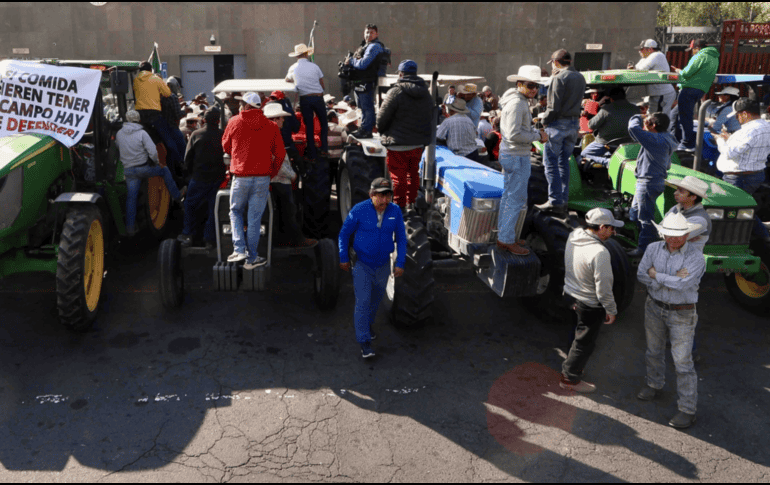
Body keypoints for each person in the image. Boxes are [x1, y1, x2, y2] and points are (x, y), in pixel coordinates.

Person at [637, 212, 706, 429]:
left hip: (682, 313)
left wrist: (656, 275)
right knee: (653, 351)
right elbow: (641, 274)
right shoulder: (652, 248)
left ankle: (687, 409)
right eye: (669, 234)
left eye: (679, 235)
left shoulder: (696, 257)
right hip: (654, 307)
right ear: (663, 234)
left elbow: (682, 285)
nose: (674, 239)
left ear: (687, 234)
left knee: (683, 362)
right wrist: (672, 278)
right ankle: (654, 384)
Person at [338, 178, 406, 359]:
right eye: (380, 196)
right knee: (363, 302)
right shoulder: (359, 210)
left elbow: (401, 238)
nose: (385, 200)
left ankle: (367, 325)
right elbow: (344, 234)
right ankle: (364, 343)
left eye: (388, 195)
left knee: (375, 301)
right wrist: (343, 257)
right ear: (371, 195)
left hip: (383, 266)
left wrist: (400, 263)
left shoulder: (395, 211)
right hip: (362, 265)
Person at [560, 208, 623, 393]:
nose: (614, 232)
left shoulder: (574, 235)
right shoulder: (600, 252)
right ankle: (569, 379)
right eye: (612, 228)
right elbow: (604, 287)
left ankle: (571, 365)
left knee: (574, 335)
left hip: (569, 295)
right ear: (602, 227)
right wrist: (611, 310)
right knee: (584, 343)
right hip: (588, 304)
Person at [222, 92, 285, 268]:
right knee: (254, 219)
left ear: (246, 106)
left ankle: (239, 250)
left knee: (235, 212)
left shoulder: (234, 122)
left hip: (241, 177)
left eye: (241, 103)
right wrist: (271, 173)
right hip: (262, 178)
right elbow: (280, 154)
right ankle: (252, 257)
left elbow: (226, 145)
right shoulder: (271, 126)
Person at [496, 65, 548, 256]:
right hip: (516, 155)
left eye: (536, 86)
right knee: (515, 199)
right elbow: (514, 134)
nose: (534, 89)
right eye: (530, 85)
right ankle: (506, 239)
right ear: (519, 84)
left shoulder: (517, 100)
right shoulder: (518, 103)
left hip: (512, 154)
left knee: (509, 197)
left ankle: (505, 235)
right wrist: (538, 136)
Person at [376, 59, 434, 208]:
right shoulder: (426, 93)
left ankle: (399, 207)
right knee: (412, 174)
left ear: (401, 74)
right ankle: (411, 205)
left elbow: (381, 118)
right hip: (417, 144)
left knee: (398, 178)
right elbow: (430, 117)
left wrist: (383, 131)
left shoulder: (395, 91)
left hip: (397, 144)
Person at [536, 49, 586, 216]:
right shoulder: (580, 77)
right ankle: (562, 200)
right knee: (563, 162)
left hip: (558, 124)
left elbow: (553, 107)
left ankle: (555, 201)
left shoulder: (559, 78)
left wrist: (543, 121)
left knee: (551, 163)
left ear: (556, 62)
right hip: (573, 124)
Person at [115, 110, 182, 237]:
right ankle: (177, 196)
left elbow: (118, 147)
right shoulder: (142, 133)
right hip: (143, 169)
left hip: (128, 171)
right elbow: (153, 151)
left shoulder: (119, 133)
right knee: (164, 170)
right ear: (139, 120)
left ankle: (130, 228)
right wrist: (157, 162)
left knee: (131, 198)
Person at [262, 103, 317, 248]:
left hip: (273, 179)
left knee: (280, 212)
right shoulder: (272, 135)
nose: (283, 120)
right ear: (274, 119)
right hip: (280, 180)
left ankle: (281, 240)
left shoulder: (269, 133)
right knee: (289, 210)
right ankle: (296, 240)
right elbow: (277, 161)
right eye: (281, 118)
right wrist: (292, 175)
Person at [715, 98, 770, 241]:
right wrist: (730, 139)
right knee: (741, 207)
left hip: (739, 177)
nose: (736, 118)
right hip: (754, 174)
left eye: (737, 115)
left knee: (734, 210)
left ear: (745, 113)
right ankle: (762, 234)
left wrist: (719, 140)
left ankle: (758, 236)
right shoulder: (766, 126)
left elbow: (729, 153)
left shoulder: (749, 130)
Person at [626, 112, 678, 258]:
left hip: (647, 182)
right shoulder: (668, 138)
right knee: (635, 212)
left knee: (645, 218)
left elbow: (633, 128)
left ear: (653, 125)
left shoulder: (654, 139)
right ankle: (644, 239)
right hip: (655, 181)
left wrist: (637, 115)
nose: (644, 124)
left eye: (646, 122)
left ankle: (644, 249)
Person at [177, 108, 226, 249]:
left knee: (190, 205)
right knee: (213, 208)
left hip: (199, 178)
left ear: (204, 120)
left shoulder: (196, 134)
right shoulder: (222, 134)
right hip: (217, 179)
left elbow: (187, 159)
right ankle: (209, 239)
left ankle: (188, 235)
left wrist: (189, 175)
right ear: (218, 120)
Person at [133, 62, 186, 171]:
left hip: (140, 115)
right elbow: (167, 93)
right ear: (150, 70)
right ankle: (180, 162)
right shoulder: (156, 79)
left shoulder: (136, 80)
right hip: (154, 114)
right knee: (168, 139)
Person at [672, 39, 720, 152]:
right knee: (674, 114)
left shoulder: (700, 56)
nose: (692, 52)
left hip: (689, 89)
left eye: (692, 49)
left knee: (685, 117)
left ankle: (687, 143)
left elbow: (686, 73)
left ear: (697, 48)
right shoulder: (714, 57)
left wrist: (679, 71)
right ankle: (675, 140)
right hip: (700, 90)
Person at [285, 43, 329, 161]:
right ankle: (324, 149)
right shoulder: (314, 66)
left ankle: (311, 154)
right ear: (306, 54)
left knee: (309, 126)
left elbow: (287, 79)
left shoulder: (293, 67)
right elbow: (322, 85)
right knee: (324, 123)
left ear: (296, 56)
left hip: (305, 98)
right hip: (318, 97)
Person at [346, 24, 388, 138]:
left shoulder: (374, 46)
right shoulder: (366, 45)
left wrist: (351, 61)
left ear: (377, 34)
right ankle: (364, 128)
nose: (368, 34)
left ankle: (366, 131)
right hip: (362, 81)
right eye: (367, 32)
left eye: (372, 32)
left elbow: (363, 64)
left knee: (367, 107)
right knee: (364, 108)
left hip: (368, 81)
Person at [580, 87, 640, 169]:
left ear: (611, 99)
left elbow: (591, 125)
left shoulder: (606, 109)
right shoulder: (635, 109)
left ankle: (608, 162)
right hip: (629, 142)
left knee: (584, 154)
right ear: (624, 96)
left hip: (606, 142)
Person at [629, 39, 677, 117]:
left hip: (662, 93)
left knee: (658, 118)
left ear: (650, 49)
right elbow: (635, 69)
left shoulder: (657, 55)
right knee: (655, 117)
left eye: (642, 49)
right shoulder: (647, 58)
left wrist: (633, 69)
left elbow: (641, 70)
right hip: (659, 94)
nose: (639, 51)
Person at [664, 176, 712, 252]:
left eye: (681, 191)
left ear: (693, 197)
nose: (675, 193)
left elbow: (672, 239)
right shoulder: (676, 208)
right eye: (677, 189)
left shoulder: (700, 219)